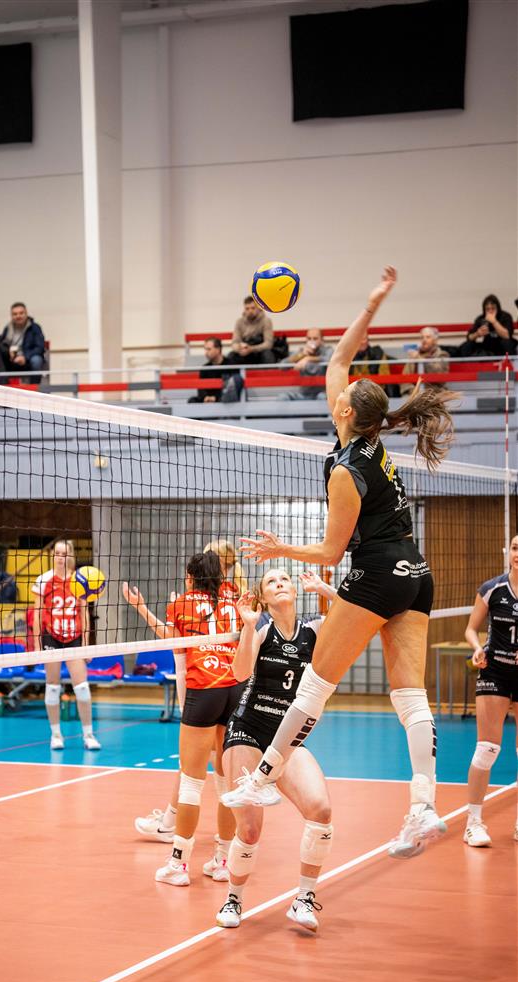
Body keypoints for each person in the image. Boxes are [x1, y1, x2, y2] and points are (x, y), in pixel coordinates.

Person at [222, 266, 458, 860]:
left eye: (343, 396)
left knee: (316, 684)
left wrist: (279, 550)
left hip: (377, 573)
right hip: (417, 574)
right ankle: (424, 807)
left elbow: (330, 554)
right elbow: (339, 359)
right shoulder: (370, 439)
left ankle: (264, 778)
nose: (337, 393)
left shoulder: (346, 471)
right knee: (410, 696)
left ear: (347, 413)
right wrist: (372, 304)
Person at [217, 568, 335, 932]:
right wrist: (248, 625)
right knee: (250, 829)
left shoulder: (314, 630)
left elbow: (352, 618)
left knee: (321, 810)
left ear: (295, 591)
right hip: (248, 731)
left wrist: (325, 589)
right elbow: (239, 674)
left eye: (284, 579)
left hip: (287, 738)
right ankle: (233, 898)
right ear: (264, 597)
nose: (280, 583)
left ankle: (304, 899)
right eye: (271, 581)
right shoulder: (262, 629)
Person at [124, 551, 242, 884]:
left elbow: (172, 641)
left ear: (190, 577)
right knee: (226, 783)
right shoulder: (233, 605)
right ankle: (223, 860)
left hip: (204, 689)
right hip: (235, 689)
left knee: (191, 782)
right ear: (220, 577)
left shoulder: (182, 604)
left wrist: (141, 607)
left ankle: (179, 865)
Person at [462, 535, 518, 847]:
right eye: (515, 547)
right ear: (509, 552)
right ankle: (473, 823)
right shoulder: (492, 588)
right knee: (487, 749)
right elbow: (471, 628)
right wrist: (476, 648)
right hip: (495, 670)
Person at [31, 539, 101, 751]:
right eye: (57, 553)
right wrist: (37, 646)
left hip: (74, 638)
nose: (60, 557)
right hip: (51, 637)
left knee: (82, 687)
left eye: (64, 553)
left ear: (70, 555)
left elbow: (84, 614)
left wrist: (86, 644)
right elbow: (37, 615)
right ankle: (56, 735)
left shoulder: (79, 580)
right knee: (52, 686)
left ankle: (88, 735)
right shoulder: (43, 580)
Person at [187, 338, 243, 404]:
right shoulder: (205, 368)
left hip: (224, 400)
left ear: (218, 349)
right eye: (205, 349)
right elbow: (201, 389)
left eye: (209, 349)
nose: (206, 353)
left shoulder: (231, 365)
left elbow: (231, 389)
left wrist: (215, 398)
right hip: (207, 400)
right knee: (192, 401)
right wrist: (205, 397)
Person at [0, 302, 46, 381]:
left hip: (28, 358)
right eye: (15, 314)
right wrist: (8, 353)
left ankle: (34, 387)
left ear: (26, 314)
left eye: (21, 313)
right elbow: (1, 345)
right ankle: (1, 386)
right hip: (11, 359)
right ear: (11, 316)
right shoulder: (7, 328)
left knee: (36, 360)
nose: (18, 316)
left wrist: (25, 357)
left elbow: (39, 347)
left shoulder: (35, 328)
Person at [401, 327, 450, 395]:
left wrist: (420, 360)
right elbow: (405, 378)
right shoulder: (414, 356)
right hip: (414, 394)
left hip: (435, 394)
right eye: (422, 337)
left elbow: (440, 377)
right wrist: (412, 391)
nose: (424, 340)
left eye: (428, 337)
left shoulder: (442, 355)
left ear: (435, 340)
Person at [350, 332, 399, 397]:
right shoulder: (348, 356)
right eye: (358, 339)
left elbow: (384, 376)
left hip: (374, 393)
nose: (361, 342)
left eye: (364, 339)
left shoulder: (378, 353)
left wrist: (375, 394)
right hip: (353, 393)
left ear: (367, 340)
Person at [230, 295, 275, 365]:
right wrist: (239, 348)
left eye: (253, 308)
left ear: (258, 308)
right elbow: (234, 343)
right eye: (247, 308)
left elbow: (268, 344)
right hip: (245, 352)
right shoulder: (239, 322)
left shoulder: (266, 321)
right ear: (244, 309)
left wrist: (252, 349)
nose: (250, 311)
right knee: (231, 356)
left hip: (260, 352)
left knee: (268, 355)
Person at [285, 328, 328, 400]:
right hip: (303, 394)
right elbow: (282, 365)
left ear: (321, 340)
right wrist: (301, 355)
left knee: (322, 397)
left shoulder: (327, 350)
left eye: (315, 338)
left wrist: (308, 358)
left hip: (320, 393)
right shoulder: (302, 351)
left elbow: (329, 359)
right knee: (284, 397)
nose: (312, 341)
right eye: (309, 338)